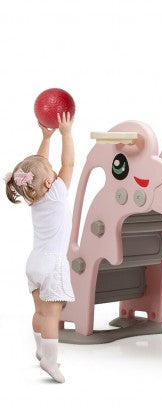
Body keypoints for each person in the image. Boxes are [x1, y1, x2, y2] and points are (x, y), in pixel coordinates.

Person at [5, 112, 75, 383]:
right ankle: (49, 360)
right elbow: (68, 163)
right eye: (52, 175)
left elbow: (37, 166)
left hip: (34, 262)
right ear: (49, 183)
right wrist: (66, 134)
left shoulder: (34, 197)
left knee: (39, 311)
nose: (57, 174)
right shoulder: (56, 194)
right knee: (51, 315)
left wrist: (46, 138)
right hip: (52, 263)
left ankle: (39, 350)